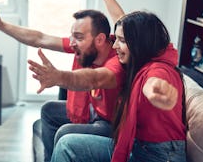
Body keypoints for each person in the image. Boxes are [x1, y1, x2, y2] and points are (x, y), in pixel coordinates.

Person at [0, 0, 125, 162]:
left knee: (66, 132)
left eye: (78, 37)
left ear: (100, 39)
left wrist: (59, 77)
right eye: (72, 36)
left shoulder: (117, 61)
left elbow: (95, 78)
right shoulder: (83, 48)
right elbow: (40, 38)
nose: (71, 43)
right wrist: (2, 26)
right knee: (49, 110)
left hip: (111, 125)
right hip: (96, 113)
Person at [28, 11, 187, 162]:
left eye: (122, 41)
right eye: (117, 39)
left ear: (140, 42)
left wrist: (155, 89)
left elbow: (153, 81)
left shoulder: (159, 70)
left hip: (159, 156)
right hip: (137, 145)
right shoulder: (139, 63)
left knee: (66, 144)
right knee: (61, 133)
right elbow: (122, 19)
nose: (115, 45)